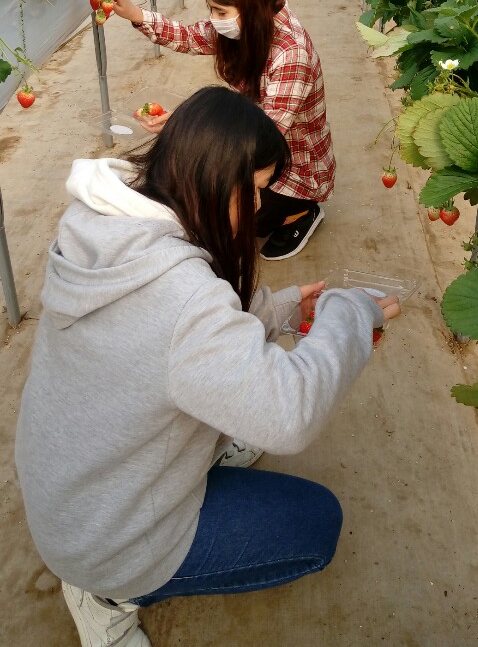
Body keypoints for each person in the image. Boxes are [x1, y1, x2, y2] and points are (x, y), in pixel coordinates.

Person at [15, 86, 400, 647]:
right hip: (107, 543)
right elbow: (290, 413)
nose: (261, 208)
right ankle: (108, 594)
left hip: (69, 496)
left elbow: (175, 332)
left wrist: (289, 305)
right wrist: (350, 311)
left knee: (217, 404)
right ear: (223, 182)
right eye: (260, 191)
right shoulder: (184, 299)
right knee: (316, 525)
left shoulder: (104, 224)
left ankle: (192, 470)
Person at [113, 0, 334, 261]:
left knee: (227, 219)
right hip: (255, 134)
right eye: (212, 11)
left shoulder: (291, 55)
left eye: (220, 12)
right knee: (204, 198)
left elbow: (264, 137)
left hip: (290, 165)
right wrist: (137, 15)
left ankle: (302, 211)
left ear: (251, 6)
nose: (214, 21)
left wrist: (189, 123)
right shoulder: (248, 27)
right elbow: (190, 37)